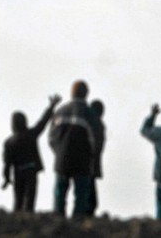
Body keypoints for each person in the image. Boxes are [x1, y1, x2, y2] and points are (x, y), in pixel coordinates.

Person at [49, 80, 103, 218]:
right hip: (82, 161)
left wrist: (59, 152)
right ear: (86, 94)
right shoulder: (90, 115)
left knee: (59, 196)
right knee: (81, 198)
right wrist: (92, 157)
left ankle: (57, 224)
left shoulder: (60, 112)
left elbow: (51, 137)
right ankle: (77, 227)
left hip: (61, 159)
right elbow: (96, 141)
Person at [1, 94, 61, 212]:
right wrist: (51, 106)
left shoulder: (9, 142)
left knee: (18, 200)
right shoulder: (31, 135)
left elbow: (7, 163)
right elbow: (42, 122)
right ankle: (28, 219)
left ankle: (17, 222)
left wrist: (7, 178)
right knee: (30, 200)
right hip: (31, 171)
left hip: (17, 172)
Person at [88, 99, 106, 216]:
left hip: (85, 162)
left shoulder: (88, 123)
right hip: (93, 164)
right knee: (91, 196)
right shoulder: (100, 125)